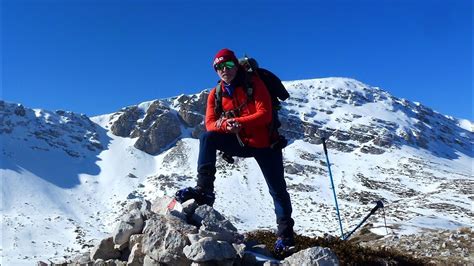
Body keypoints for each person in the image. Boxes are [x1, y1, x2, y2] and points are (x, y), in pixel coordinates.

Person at [175, 48, 295, 252]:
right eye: (219, 67)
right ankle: (204, 190)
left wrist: (236, 121)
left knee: (278, 190)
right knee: (207, 138)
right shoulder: (216, 93)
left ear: (237, 65)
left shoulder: (254, 83)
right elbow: (210, 124)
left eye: (228, 65)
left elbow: (265, 114)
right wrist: (226, 126)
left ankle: (285, 238)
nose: (224, 70)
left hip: (266, 144)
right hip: (241, 142)